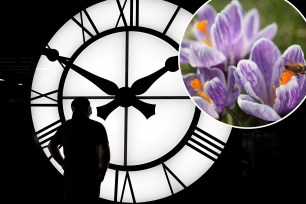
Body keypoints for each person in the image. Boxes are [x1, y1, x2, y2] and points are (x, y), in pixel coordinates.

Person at [48, 97, 110, 204]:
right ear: (88, 109)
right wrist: (103, 171)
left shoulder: (65, 127)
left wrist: (62, 163)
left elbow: (51, 146)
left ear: (73, 109)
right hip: (91, 174)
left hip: (71, 174)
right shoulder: (97, 127)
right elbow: (104, 152)